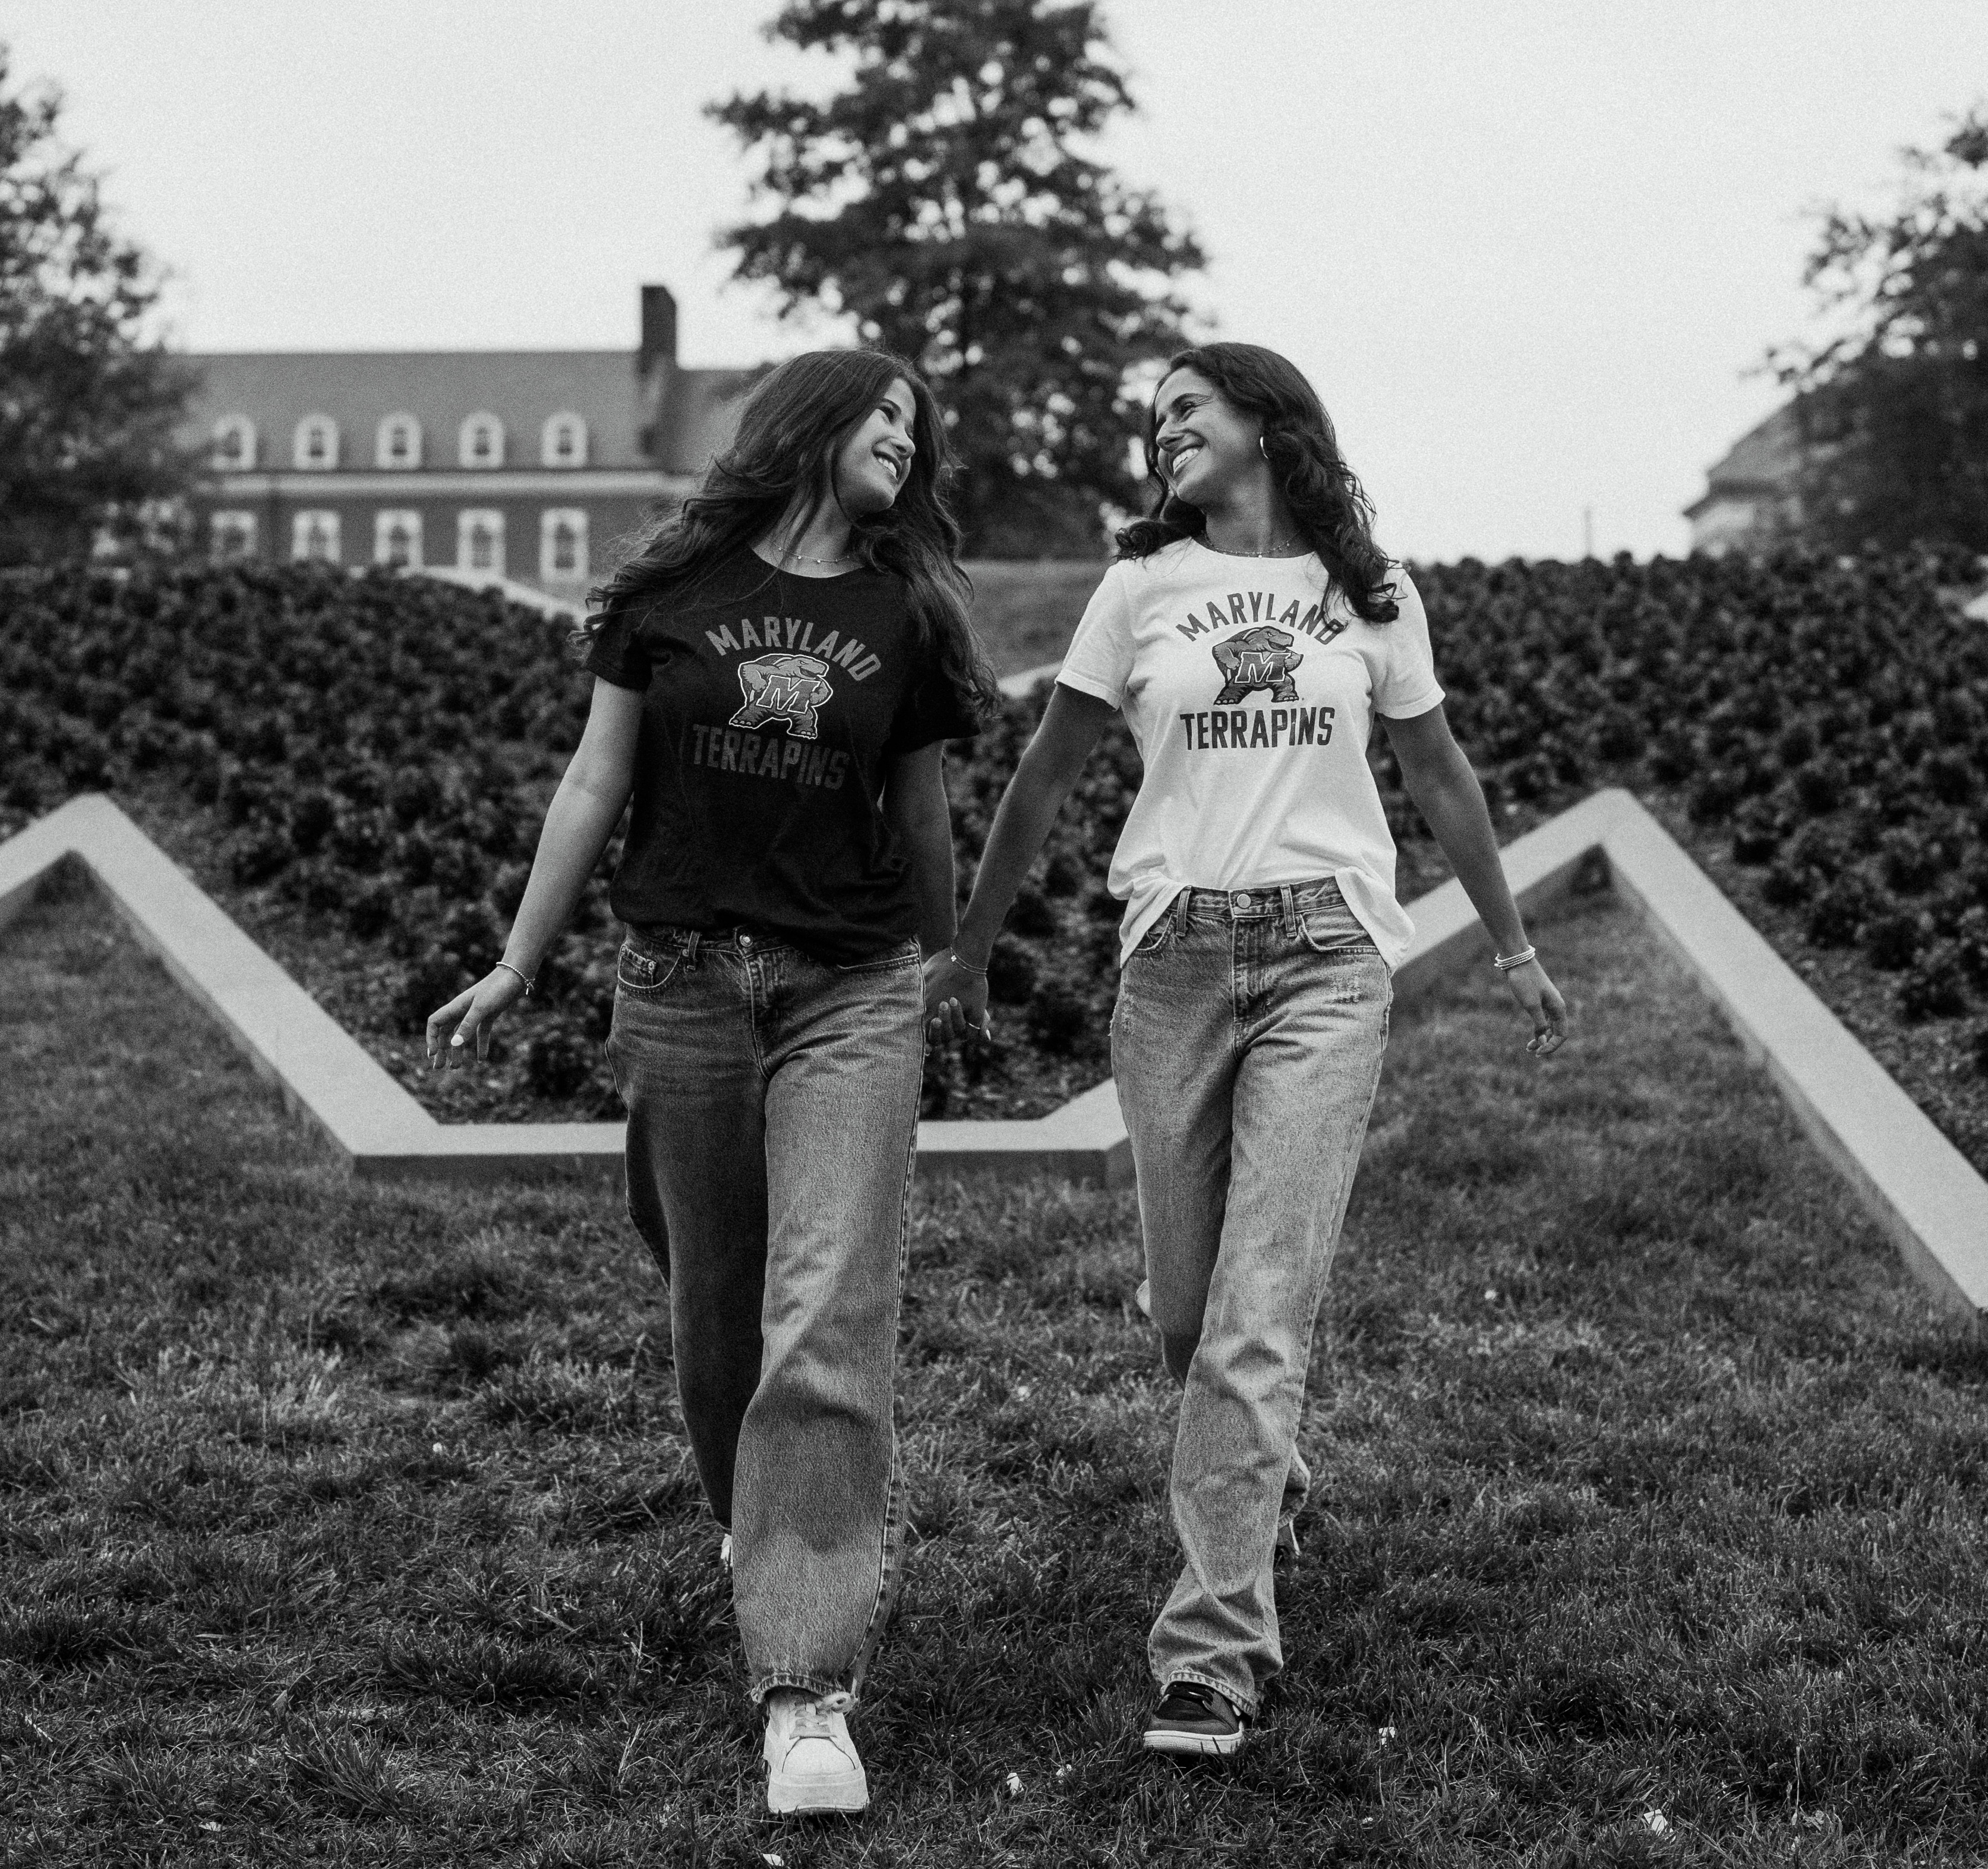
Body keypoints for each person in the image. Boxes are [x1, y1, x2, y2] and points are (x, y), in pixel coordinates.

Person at [932, 341, 1570, 1759]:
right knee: (1185, 1307)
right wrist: (971, 944)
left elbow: (1440, 775)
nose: (1162, 431)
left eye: (1186, 408)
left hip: (1330, 955)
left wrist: (1514, 944)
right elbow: (1048, 770)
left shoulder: (1371, 592)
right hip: (1172, 959)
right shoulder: (1140, 587)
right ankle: (1264, 1475)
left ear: (1268, 423)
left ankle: (1214, 1646)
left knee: (1258, 1303)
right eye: (1151, 416)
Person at [427, 348, 989, 1820]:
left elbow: (920, 802)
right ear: (810, 425)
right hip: (679, 981)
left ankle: (804, 1686)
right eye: (883, 414)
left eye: (915, 428)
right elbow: (594, 783)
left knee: (825, 1309)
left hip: (850, 988)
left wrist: (954, 957)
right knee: (715, 1315)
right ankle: (764, 1532)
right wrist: (517, 958)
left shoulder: (907, 608)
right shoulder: (667, 593)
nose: (903, 439)